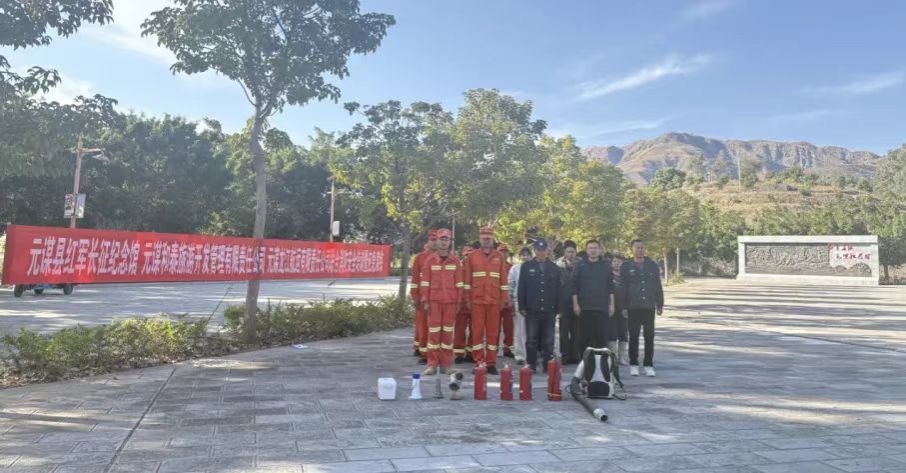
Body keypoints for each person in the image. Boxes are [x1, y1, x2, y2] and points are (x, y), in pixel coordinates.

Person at [463, 227, 509, 375]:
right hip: (477, 301)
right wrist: (467, 299)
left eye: (489, 238)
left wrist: (504, 298)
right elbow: (467, 281)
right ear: (480, 239)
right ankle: (479, 362)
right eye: (484, 238)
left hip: (494, 301)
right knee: (477, 333)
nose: (486, 240)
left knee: (493, 333)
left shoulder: (499, 256)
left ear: (493, 239)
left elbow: (503, 280)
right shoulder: (472, 257)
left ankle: (490, 363)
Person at [421, 229, 464, 376]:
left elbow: (459, 283)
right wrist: (425, 300)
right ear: (437, 241)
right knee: (433, 334)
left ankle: (446, 365)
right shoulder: (430, 260)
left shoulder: (455, 261)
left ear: (450, 242)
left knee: (447, 334)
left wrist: (458, 301)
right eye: (441, 239)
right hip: (434, 302)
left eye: (447, 239)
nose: (444, 242)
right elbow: (425, 282)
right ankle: (432, 365)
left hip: (450, 302)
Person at [621, 239, 664, 377]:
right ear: (632, 249)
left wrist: (660, 303)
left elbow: (657, 284)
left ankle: (648, 364)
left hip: (648, 306)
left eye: (642, 247)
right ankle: (634, 364)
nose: (640, 250)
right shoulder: (626, 266)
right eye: (637, 247)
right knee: (633, 336)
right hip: (633, 306)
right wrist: (623, 306)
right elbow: (623, 287)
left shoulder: (652, 265)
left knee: (649, 337)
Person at [518, 239, 561, 373]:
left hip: (549, 308)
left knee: (548, 339)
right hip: (532, 308)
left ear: (547, 251)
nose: (541, 253)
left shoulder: (554, 268)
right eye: (538, 250)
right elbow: (522, 287)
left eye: (543, 250)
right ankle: (531, 364)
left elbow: (558, 289)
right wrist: (522, 306)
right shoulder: (526, 267)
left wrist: (558, 308)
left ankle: (548, 365)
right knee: (531, 339)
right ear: (535, 251)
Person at [571, 240, 615, 354]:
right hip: (585, 308)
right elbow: (574, 286)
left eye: (595, 248)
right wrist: (575, 304)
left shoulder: (606, 265)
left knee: (602, 338)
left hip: (602, 308)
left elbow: (610, 286)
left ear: (599, 250)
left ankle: (600, 363)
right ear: (586, 250)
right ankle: (586, 362)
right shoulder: (580, 265)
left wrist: (612, 305)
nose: (593, 250)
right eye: (590, 248)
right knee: (584, 338)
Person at [410, 230, 437, 363]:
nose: (434, 243)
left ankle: (435, 354)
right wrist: (414, 296)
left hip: (438, 299)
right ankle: (424, 354)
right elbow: (415, 279)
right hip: (422, 298)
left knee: (437, 328)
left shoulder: (445, 257)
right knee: (423, 327)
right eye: (432, 240)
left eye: (436, 240)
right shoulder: (420, 258)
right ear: (428, 241)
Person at [556, 240, 581, 364]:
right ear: (565, 253)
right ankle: (564, 355)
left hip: (578, 303)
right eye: (568, 252)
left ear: (576, 252)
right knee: (563, 332)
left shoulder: (581, 265)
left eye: (573, 252)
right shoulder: (558, 266)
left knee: (577, 332)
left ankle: (575, 355)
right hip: (564, 304)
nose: (571, 254)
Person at [508, 247, 532, 365]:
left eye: (527, 254)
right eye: (523, 255)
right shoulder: (515, 268)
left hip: (533, 303)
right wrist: (510, 301)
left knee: (532, 330)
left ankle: (532, 354)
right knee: (520, 330)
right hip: (519, 302)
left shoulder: (535, 267)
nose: (525, 257)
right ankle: (520, 355)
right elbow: (510, 285)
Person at [453, 245, 474, 363]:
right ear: (463, 255)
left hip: (474, 302)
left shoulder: (476, 268)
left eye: (470, 255)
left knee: (474, 329)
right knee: (459, 329)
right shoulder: (458, 268)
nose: (468, 257)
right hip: (461, 304)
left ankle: (471, 353)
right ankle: (459, 354)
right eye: (466, 255)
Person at [608, 254, 629, 365]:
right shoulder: (608, 276)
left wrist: (627, 307)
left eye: (619, 262)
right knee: (611, 333)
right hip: (611, 308)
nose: (617, 263)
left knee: (623, 334)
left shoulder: (626, 277)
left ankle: (621, 357)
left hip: (624, 309)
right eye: (615, 261)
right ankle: (614, 357)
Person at [497, 244, 516, 359]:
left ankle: (507, 349)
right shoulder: (494, 266)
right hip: (496, 301)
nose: (503, 254)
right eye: (501, 252)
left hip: (508, 302)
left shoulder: (512, 267)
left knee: (509, 328)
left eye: (505, 252)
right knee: (495, 328)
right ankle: (493, 349)